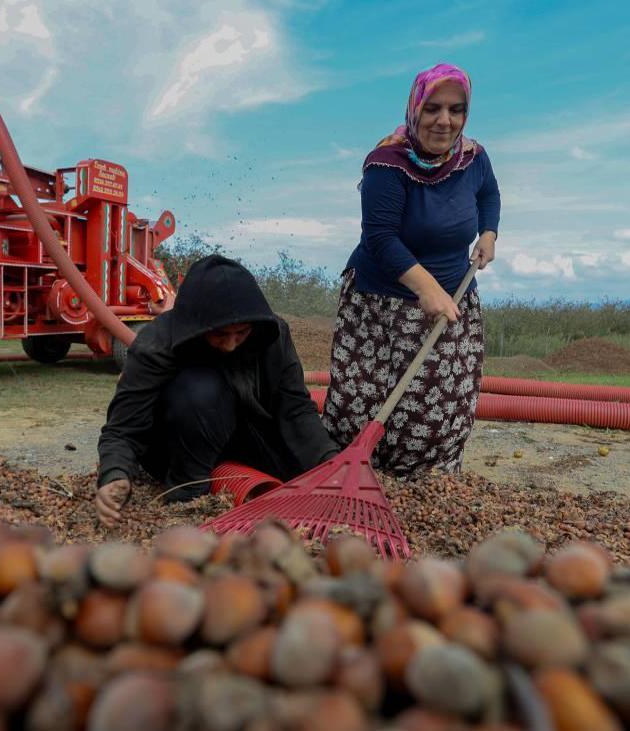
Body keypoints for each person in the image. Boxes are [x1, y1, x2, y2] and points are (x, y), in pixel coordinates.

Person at [322, 62, 500, 476]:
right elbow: (380, 238)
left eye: (456, 110)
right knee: (364, 400)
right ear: (414, 108)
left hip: (453, 297)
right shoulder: (386, 164)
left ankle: (425, 480)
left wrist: (488, 234)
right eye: (433, 108)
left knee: (441, 401)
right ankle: (352, 471)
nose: (444, 120)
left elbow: (489, 193)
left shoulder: (473, 157)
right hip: (383, 302)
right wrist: (425, 287)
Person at [94, 254, 338, 527]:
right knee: (200, 390)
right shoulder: (157, 344)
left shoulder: (271, 334)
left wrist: (329, 460)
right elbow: (123, 427)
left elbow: (295, 407)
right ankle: (188, 495)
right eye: (220, 335)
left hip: (249, 435)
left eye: (241, 334)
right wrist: (115, 474)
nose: (231, 345)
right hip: (178, 444)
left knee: (305, 471)